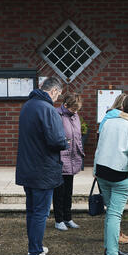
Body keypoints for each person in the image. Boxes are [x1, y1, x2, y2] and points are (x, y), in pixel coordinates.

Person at [15, 77, 68, 255]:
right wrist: (65, 142)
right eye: (58, 95)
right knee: (40, 212)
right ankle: (35, 253)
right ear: (53, 91)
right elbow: (56, 140)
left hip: (28, 168)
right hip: (43, 169)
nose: (57, 99)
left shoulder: (28, 106)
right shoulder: (48, 109)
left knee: (31, 210)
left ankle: (34, 245)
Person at [93, 94, 128, 255]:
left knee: (110, 214)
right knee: (115, 214)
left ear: (122, 108)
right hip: (121, 175)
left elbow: (99, 148)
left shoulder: (108, 123)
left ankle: (110, 249)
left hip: (102, 171)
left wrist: (94, 170)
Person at [53, 92, 84, 231]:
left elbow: (77, 136)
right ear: (65, 105)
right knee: (59, 192)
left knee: (69, 191)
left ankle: (68, 218)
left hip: (72, 157)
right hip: (60, 157)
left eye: (77, 110)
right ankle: (58, 219)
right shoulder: (56, 114)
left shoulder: (75, 116)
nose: (75, 112)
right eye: (73, 109)